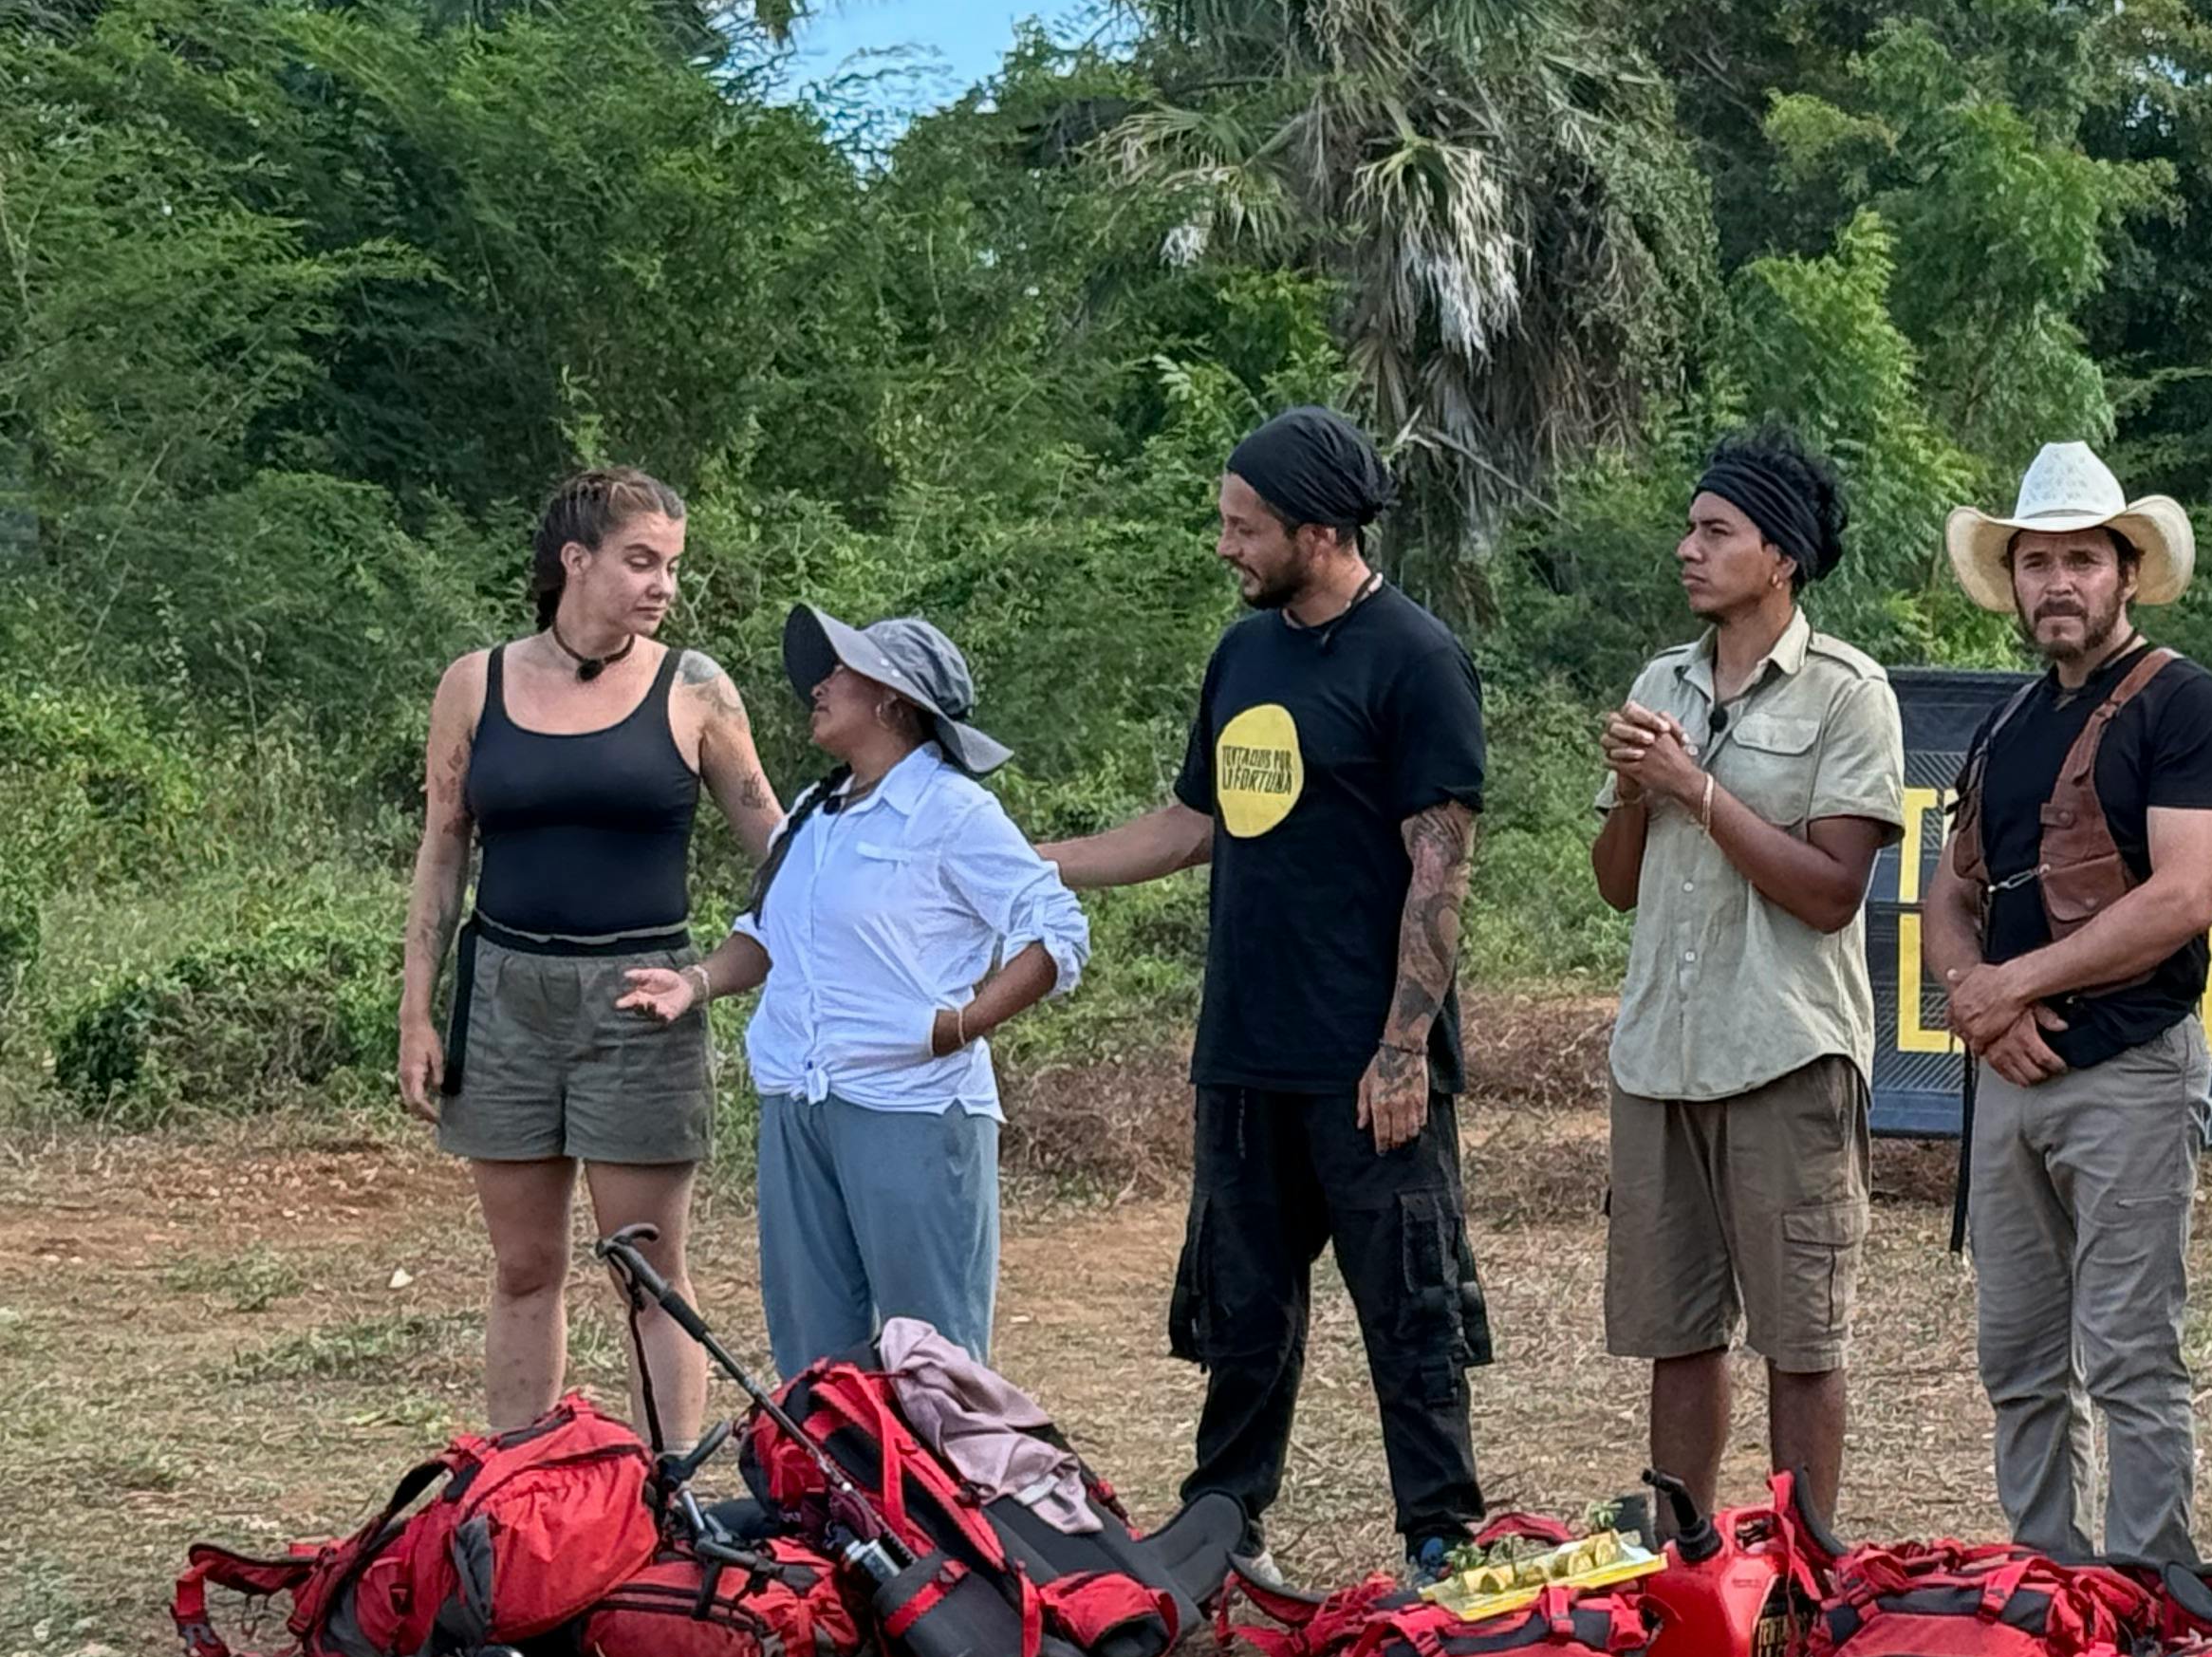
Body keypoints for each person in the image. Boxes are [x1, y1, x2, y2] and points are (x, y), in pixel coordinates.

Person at [1041, 409, 1491, 1582]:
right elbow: (1195, 824)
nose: (1226, 547)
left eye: (1245, 528)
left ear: (1320, 530)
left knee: (1411, 1312)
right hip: (1244, 1052)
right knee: (1243, 1314)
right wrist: (1033, 860)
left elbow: (1441, 863)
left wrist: (1402, 1047)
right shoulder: (1244, 657)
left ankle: (1439, 1537)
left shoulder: (1418, 658)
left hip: (1364, 1062)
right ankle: (1220, 1530)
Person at [397, 469, 782, 1443]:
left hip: (641, 995)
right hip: (506, 997)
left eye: (672, 567)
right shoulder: (474, 682)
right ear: (576, 560)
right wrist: (417, 1010)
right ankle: (519, 1494)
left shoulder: (695, 687)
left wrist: (737, 960)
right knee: (525, 1267)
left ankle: (671, 1503)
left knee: (647, 1270)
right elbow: (444, 846)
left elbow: (777, 844)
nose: (664, 586)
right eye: (641, 561)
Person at [1918, 443, 2212, 1577]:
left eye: (2081, 561)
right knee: (2016, 1354)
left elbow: (2183, 897)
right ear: (2012, 580)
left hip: (2130, 1068)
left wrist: (2017, 985)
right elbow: (1949, 888)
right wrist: (1977, 998)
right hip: (2010, 1075)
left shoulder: (2187, 705)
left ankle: (2150, 1590)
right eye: (2038, 561)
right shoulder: (2005, 724)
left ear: (2126, 572)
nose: (2058, 583)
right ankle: (2047, 1586)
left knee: (2129, 1357)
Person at [615, 609, 1087, 1371]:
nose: (820, 684)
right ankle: (828, 1493)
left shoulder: (952, 811)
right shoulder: (813, 812)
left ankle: (937, 1493)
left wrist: (959, 1026)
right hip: (800, 1102)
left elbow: (1057, 932)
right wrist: (695, 983)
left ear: (895, 702)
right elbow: (767, 934)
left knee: (931, 1359)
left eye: (842, 671)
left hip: (911, 1110)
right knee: (815, 1356)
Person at [1591, 424, 1904, 1517]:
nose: (1687, 549)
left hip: (1784, 1054)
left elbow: (1831, 891)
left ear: (1781, 558)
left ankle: (1804, 1573)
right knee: (1676, 1335)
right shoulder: (1661, 680)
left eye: (1715, 531)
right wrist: (1635, 790)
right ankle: (1684, 1560)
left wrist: (1695, 789)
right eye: (1688, 527)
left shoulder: (1847, 694)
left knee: (1800, 1339)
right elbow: (1617, 886)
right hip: (1662, 1057)